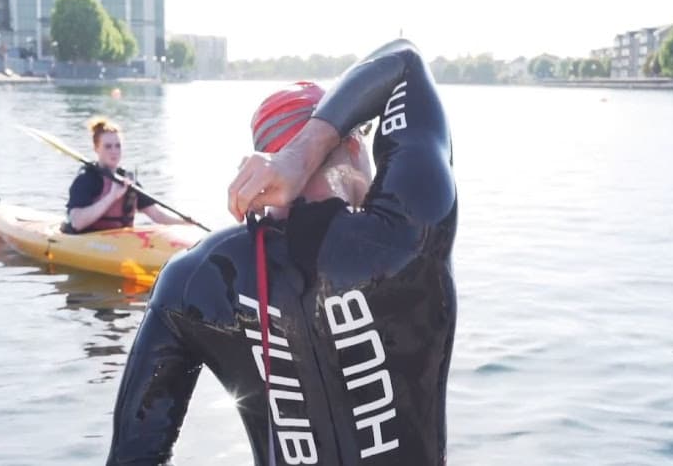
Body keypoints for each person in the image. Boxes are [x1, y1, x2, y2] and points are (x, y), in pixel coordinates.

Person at [106, 39, 457, 466]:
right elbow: (404, 63)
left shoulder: (195, 279)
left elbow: (133, 455)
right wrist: (302, 154)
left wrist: (289, 157)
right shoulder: (407, 232)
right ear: (353, 146)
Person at [64, 118, 186, 233]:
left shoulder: (128, 180)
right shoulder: (86, 179)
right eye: (108, 146)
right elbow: (77, 223)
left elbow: (158, 216)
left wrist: (188, 223)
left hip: (120, 243)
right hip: (88, 241)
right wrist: (112, 196)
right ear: (96, 148)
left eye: (118, 146)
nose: (114, 151)